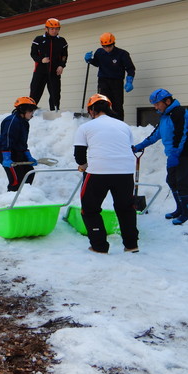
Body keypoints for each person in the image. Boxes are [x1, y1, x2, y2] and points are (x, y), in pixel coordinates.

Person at [73, 94, 139, 254]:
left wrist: (83, 166)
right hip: (125, 171)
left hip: (98, 172)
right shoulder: (123, 126)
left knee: (90, 209)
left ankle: (99, 246)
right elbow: (129, 148)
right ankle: (131, 245)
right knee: (126, 208)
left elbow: (79, 154)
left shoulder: (85, 127)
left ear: (91, 110)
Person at [133, 88, 188, 225]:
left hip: (185, 153)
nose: (155, 107)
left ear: (167, 101)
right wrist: (141, 145)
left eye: (157, 104)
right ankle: (181, 209)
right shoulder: (165, 116)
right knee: (172, 181)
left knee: (183, 183)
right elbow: (156, 134)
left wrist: (175, 154)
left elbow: (180, 134)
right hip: (174, 154)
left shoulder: (179, 112)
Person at [84, 32, 135, 121]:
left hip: (117, 81)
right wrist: (89, 60)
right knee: (102, 103)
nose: (107, 48)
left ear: (113, 44)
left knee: (117, 105)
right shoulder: (99, 52)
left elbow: (130, 68)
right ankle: (102, 123)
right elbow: (97, 63)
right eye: (105, 46)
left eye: (109, 46)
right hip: (103, 81)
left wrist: (129, 81)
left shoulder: (122, 54)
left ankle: (119, 124)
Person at [0, 96, 39, 191]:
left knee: (29, 173)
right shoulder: (12, 121)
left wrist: (28, 155)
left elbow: (22, 142)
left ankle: (24, 196)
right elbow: (7, 139)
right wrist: (7, 157)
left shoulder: (24, 123)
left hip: (18, 152)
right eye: (31, 111)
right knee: (16, 180)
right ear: (23, 110)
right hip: (5, 152)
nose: (32, 115)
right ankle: (11, 200)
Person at [29, 18, 68, 111]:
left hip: (54, 72)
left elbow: (64, 55)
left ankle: (54, 112)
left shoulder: (62, 41)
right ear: (46, 29)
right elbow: (33, 54)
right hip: (40, 71)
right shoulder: (38, 40)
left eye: (57, 29)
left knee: (55, 93)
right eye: (52, 29)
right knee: (35, 92)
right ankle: (30, 111)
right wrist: (41, 60)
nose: (54, 31)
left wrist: (61, 65)